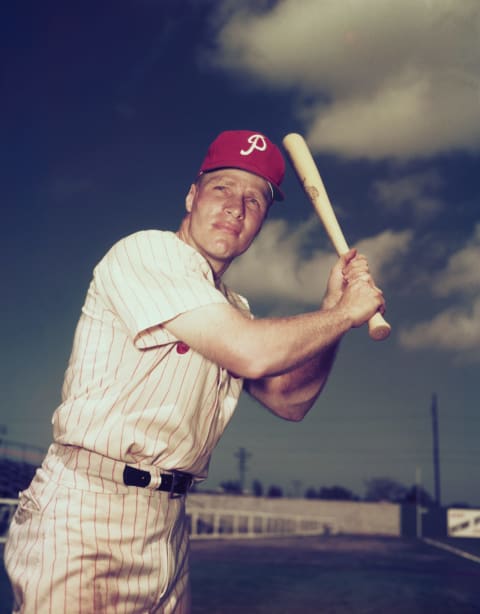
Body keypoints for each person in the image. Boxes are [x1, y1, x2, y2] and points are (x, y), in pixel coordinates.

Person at [4, 130, 386, 613]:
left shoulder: (233, 308)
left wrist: (333, 310)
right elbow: (251, 352)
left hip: (167, 524)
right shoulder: (147, 253)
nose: (236, 208)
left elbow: (291, 400)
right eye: (222, 188)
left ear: (261, 222)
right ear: (192, 195)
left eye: (254, 199)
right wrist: (345, 314)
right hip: (88, 509)